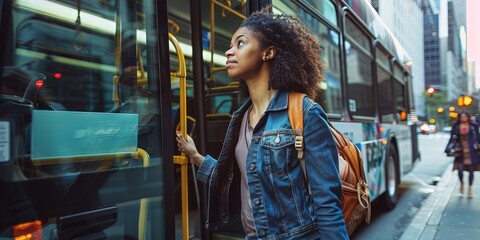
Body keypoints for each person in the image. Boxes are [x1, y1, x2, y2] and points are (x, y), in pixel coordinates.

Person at [176, 6, 348, 239]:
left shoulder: (305, 113)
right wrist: (195, 155)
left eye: (240, 43)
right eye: (230, 45)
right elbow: (235, 179)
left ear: (268, 53)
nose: (228, 52)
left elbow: (327, 204)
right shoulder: (241, 117)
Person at [446, 111, 480, 198]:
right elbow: (452, 137)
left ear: (468, 117)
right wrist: (448, 147)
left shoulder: (473, 125)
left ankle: (470, 188)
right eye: (461, 117)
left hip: (472, 151)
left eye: (465, 117)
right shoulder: (456, 126)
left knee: (471, 171)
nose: (463, 119)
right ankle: (461, 183)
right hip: (460, 150)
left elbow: (478, 136)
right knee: (460, 170)